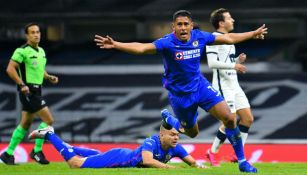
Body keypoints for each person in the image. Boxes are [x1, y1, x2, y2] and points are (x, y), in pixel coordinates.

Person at [94, 10, 267, 173]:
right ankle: (171, 120)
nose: (183, 27)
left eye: (186, 24)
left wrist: (252, 34)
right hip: (180, 96)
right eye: (179, 24)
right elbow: (142, 48)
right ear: (173, 27)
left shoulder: (200, 37)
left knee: (230, 118)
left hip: (200, 86)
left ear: (192, 25)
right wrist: (116, 44)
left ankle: (243, 162)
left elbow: (228, 38)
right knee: (193, 133)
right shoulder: (167, 42)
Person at [0, 23, 58, 165]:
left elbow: (39, 69)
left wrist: (48, 76)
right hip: (28, 91)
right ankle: (36, 151)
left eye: (38, 32)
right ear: (27, 35)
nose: (36, 34)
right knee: (49, 120)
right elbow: (10, 69)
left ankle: (7, 154)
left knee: (25, 124)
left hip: (37, 89)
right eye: (32, 32)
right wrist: (21, 84)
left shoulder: (41, 51)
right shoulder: (22, 51)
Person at [205, 8, 255, 166]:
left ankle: (236, 153)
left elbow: (227, 61)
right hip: (223, 86)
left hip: (234, 85)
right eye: (229, 18)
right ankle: (212, 152)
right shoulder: (213, 38)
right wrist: (234, 65)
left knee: (247, 119)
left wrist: (237, 61)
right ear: (221, 23)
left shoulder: (229, 39)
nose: (233, 20)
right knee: (231, 120)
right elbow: (212, 63)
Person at [28, 125, 205, 169]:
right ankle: (50, 134)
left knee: (90, 155)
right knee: (75, 163)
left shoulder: (176, 147)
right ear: (161, 135)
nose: (176, 138)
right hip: (119, 158)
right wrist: (169, 167)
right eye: (172, 135)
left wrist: (200, 166)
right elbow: (148, 160)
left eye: (177, 135)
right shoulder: (151, 141)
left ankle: (66, 145)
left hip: (121, 154)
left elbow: (192, 163)